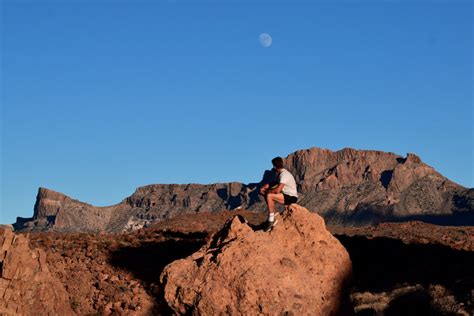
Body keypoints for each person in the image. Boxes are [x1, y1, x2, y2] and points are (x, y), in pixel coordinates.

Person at [260, 156, 298, 232]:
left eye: (273, 166)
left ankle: (271, 220)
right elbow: (273, 183)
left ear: (274, 166)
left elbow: (277, 190)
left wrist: (267, 191)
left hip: (291, 197)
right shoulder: (280, 174)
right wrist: (264, 187)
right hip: (286, 195)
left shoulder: (284, 175)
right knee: (268, 194)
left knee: (269, 195)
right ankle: (272, 216)